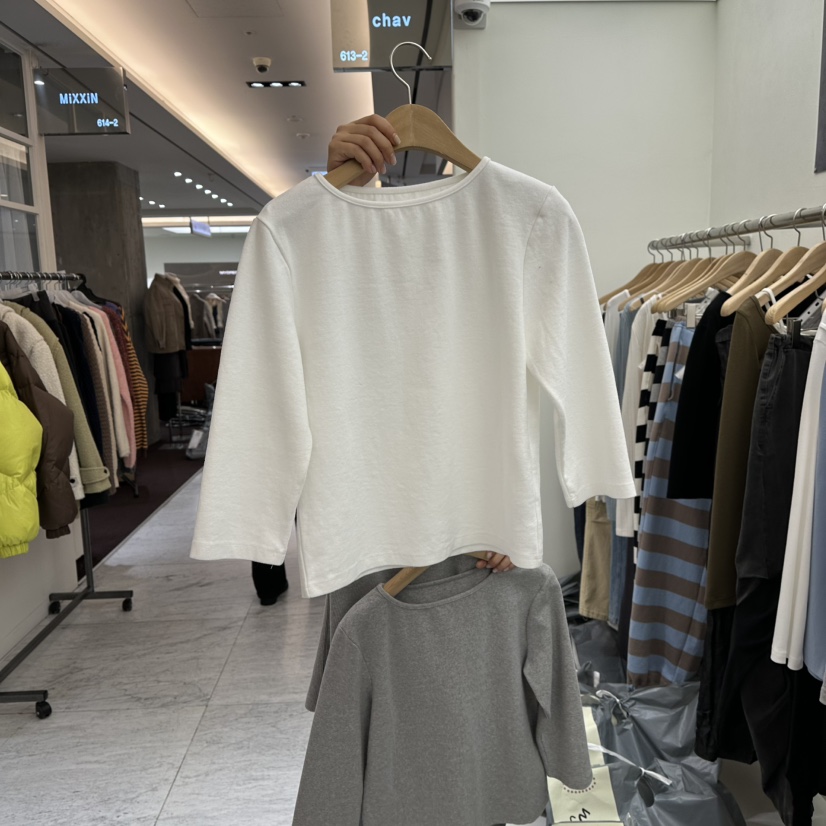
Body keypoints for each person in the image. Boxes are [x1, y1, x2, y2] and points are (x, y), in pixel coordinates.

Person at [253, 117, 515, 605]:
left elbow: (569, 371)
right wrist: (256, 525)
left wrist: (516, 514)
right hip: (362, 536)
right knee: (369, 638)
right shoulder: (288, 228)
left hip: (478, 537)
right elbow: (265, 393)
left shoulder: (525, 215)